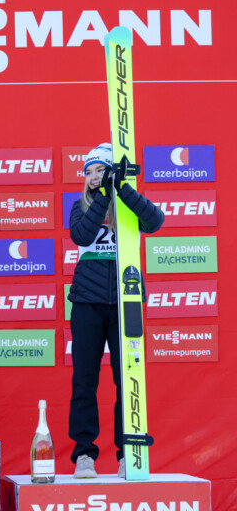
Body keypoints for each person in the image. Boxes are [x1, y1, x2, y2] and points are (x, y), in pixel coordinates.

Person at [67, 143, 164, 478]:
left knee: (128, 379)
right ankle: (84, 455)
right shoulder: (80, 206)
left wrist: (122, 188)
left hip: (127, 300)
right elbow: (81, 235)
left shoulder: (127, 202)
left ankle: (129, 452)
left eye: (100, 170)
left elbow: (155, 222)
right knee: (84, 381)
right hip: (87, 304)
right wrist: (105, 197)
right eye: (89, 172)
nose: (94, 177)